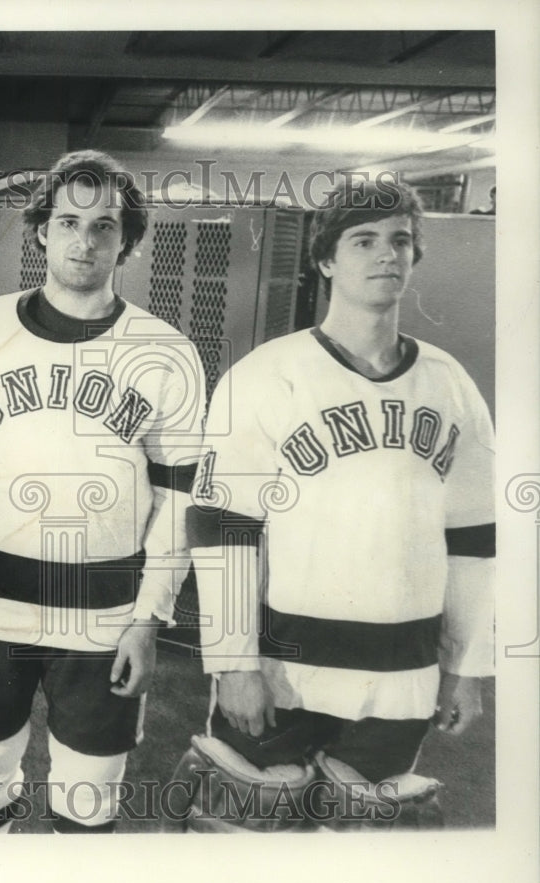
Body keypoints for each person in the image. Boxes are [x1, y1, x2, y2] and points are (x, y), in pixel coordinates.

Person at [186, 178, 494, 830]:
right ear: (325, 260)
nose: (387, 255)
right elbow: (221, 528)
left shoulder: (450, 384)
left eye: (401, 241)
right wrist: (233, 663)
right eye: (364, 240)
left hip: (402, 672)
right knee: (240, 842)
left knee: (362, 868)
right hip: (282, 667)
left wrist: (467, 666)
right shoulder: (268, 375)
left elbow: (475, 538)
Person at [0, 150, 205, 833]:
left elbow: (179, 499)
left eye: (104, 225)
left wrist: (149, 620)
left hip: (103, 613)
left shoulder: (167, 352)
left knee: (90, 790)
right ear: (41, 231)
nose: (85, 240)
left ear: (127, 242)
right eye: (69, 222)